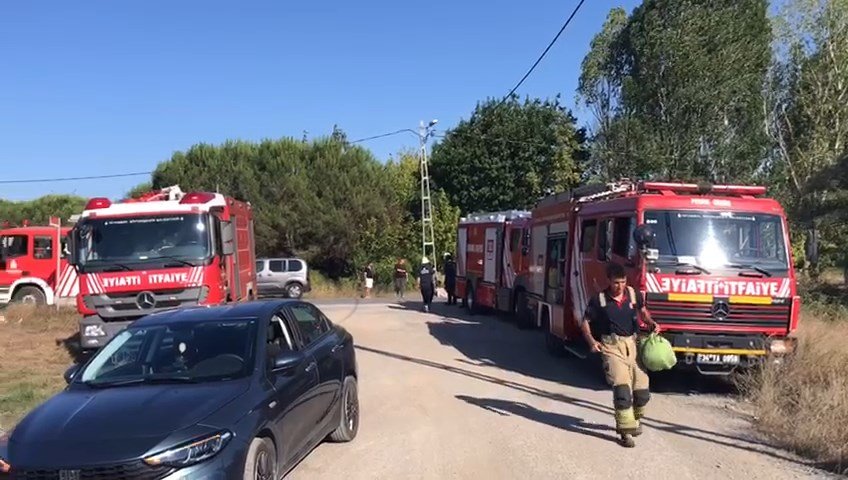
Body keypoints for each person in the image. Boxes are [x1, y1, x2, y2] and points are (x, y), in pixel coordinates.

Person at [580, 262, 660, 448]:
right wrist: (592, 342)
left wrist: (651, 323)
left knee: (642, 392)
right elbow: (585, 322)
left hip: (633, 345)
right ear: (608, 281)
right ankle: (625, 431)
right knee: (623, 390)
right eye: (616, 282)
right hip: (611, 346)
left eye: (623, 282)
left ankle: (635, 420)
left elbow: (642, 312)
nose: (620, 286)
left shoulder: (633, 295)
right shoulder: (599, 300)